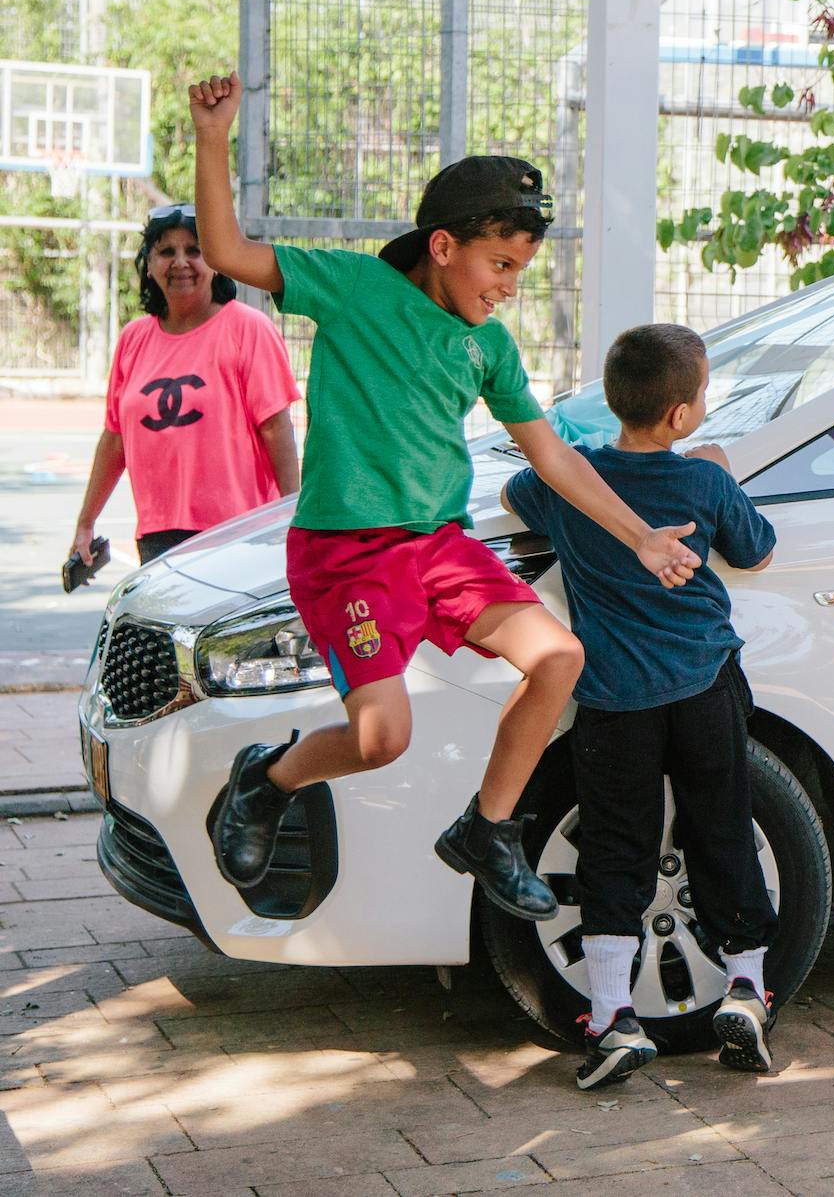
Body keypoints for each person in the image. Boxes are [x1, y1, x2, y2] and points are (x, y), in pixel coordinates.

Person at [186, 70, 701, 925]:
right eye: (500, 263)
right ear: (444, 246)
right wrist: (213, 138)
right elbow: (229, 253)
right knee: (381, 738)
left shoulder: (488, 348)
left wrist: (641, 535)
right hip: (347, 551)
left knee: (560, 656)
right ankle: (266, 779)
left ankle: (487, 828)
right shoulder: (354, 290)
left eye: (521, 269)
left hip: (438, 548)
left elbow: (555, 458)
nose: (508, 284)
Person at [502, 323, 781, 1085]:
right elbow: (757, 549)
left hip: (613, 700)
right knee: (721, 825)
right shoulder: (704, 480)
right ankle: (748, 987)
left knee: (614, 848)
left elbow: (512, 489)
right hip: (704, 687)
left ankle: (614, 1015)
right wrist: (719, 471)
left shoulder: (574, 483)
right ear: (682, 417)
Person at [72, 203, 301, 566]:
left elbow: (276, 429)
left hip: (239, 535)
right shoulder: (134, 339)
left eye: (194, 250)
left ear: (216, 260)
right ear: (149, 263)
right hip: (157, 537)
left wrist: (295, 521)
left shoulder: (248, 329)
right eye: (166, 251)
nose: (180, 262)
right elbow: (114, 439)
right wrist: (85, 522)